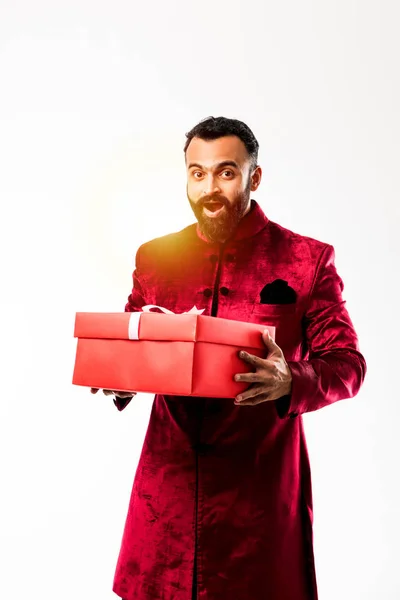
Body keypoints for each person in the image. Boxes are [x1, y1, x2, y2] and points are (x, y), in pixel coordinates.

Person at [91, 116, 366, 600]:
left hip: (257, 504)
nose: (209, 187)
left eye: (225, 172)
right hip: (165, 502)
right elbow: (133, 343)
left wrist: (292, 378)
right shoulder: (154, 258)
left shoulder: (306, 260)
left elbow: (348, 365)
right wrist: (119, 377)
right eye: (197, 173)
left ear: (253, 177)